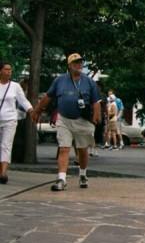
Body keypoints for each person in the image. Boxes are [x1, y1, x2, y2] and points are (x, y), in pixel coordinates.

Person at [30, 54, 102, 191]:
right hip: (64, 119)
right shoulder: (59, 81)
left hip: (82, 120)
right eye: (75, 63)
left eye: (80, 63)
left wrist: (96, 116)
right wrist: (37, 110)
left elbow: (96, 102)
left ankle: (83, 174)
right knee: (64, 148)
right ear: (69, 65)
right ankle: (61, 179)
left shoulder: (89, 82)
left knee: (82, 150)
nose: (78, 65)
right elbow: (48, 97)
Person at [0, 62, 33, 185]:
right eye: (6, 69)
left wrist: (31, 111)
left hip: (10, 119)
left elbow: (23, 101)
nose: (9, 72)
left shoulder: (14, 86)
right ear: (0, 71)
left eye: (10, 70)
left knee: (6, 145)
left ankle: (3, 173)